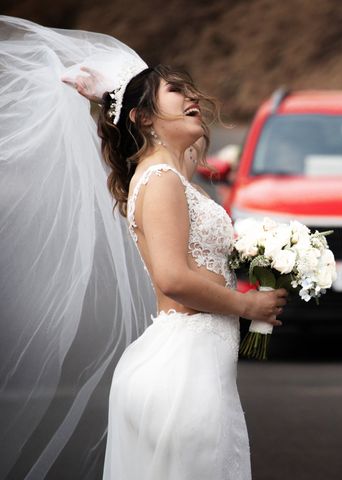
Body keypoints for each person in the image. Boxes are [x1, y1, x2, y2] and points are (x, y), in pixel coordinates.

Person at [0, 16, 287, 480]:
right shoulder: (159, 181)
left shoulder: (171, 174)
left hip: (195, 370)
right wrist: (247, 302)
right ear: (145, 117)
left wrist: (112, 97)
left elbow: (179, 153)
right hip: (181, 378)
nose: (193, 97)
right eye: (176, 91)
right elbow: (173, 279)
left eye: (189, 90)